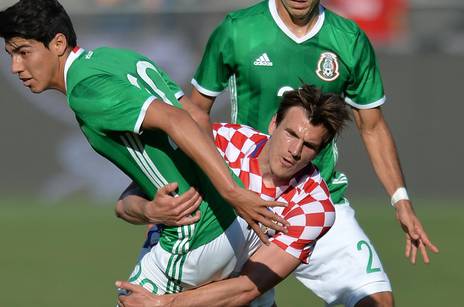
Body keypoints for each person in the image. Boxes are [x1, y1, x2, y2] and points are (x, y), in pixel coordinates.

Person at [0, 0, 290, 295]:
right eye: (11, 55)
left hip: (195, 234)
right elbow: (193, 116)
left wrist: (233, 192)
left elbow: (177, 120)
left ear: (58, 43)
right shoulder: (114, 58)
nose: (15, 67)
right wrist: (151, 206)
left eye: (24, 52)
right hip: (232, 222)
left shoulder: (85, 90)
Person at [186, 0, 439, 306]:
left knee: (376, 301)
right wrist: (189, 182)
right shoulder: (238, 30)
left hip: (316, 200)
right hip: (246, 202)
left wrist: (400, 199)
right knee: (234, 297)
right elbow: (195, 113)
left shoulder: (348, 39)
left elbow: (371, 126)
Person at [117, 84, 352, 307]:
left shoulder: (313, 206)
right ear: (273, 124)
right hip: (159, 285)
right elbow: (124, 205)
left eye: (309, 145)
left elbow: (248, 287)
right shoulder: (221, 141)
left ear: (320, 151)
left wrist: (165, 304)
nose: (295, 151)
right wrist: (150, 211)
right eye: (291, 134)